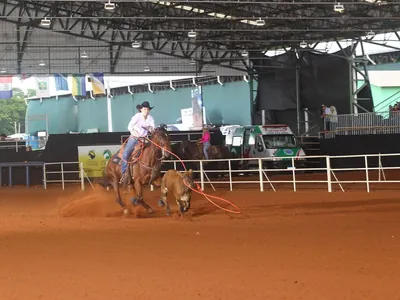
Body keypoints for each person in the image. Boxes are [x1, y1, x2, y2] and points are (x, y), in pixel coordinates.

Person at [120, 101, 155, 184]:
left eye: (147, 109)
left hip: (144, 139)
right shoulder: (137, 116)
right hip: (134, 138)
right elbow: (129, 126)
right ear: (141, 109)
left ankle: (152, 170)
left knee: (152, 152)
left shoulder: (150, 118)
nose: (146, 110)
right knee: (125, 154)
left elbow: (153, 128)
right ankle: (124, 173)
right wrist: (133, 131)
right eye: (144, 109)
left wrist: (151, 129)